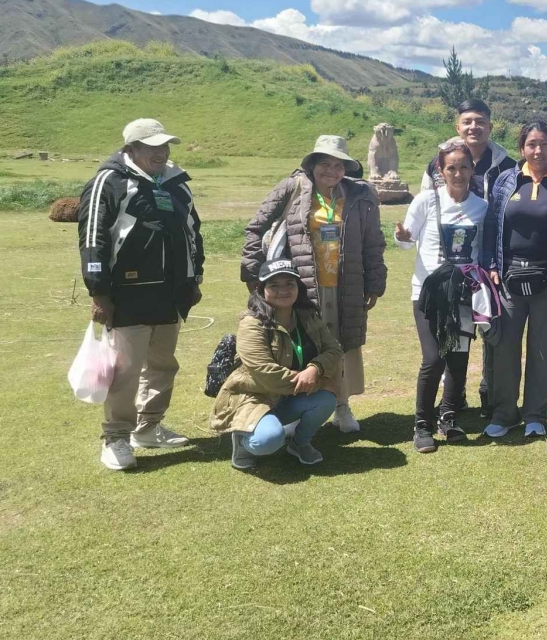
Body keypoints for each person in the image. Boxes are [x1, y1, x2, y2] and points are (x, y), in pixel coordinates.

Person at [78, 118, 204, 470]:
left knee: (163, 365)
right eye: (152, 147)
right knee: (125, 369)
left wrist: (194, 279)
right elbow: (93, 239)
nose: (161, 153)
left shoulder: (177, 183)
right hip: (127, 296)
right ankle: (116, 437)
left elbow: (194, 231)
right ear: (131, 149)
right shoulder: (110, 181)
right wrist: (99, 292)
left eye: (165, 146)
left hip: (171, 295)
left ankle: (148, 427)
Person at [242, 135, 386, 434]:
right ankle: (298, 408)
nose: (331, 170)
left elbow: (373, 242)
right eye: (325, 163)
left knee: (343, 345)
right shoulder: (292, 188)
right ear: (312, 165)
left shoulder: (359, 196)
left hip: (346, 284)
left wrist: (375, 281)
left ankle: (341, 406)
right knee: (303, 346)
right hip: (301, 286)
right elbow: (256, 228)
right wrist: (254, 272)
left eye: (338, 165)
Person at [421, 98, 515, 414]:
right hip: (448, 270)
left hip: (491, 265)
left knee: (490, 331)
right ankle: (453, 397)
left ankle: (489, 393)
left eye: (480, 121)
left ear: (490, 125)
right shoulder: (436, 165)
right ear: (457, 126)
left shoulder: (506, 165)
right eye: (467, 121)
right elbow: (426, 215)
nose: (474, 127)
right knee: (451, 334)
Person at [396, 138, 491, 450]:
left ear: (473, 169)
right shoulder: (426, 201)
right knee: (433, 358)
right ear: (441, 170)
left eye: (464, 167)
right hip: (428, 292)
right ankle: (422, 423)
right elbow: (407, 242)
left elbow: (479, 251)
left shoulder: (481, 206)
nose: (459, 173)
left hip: (464, 292)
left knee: (459, 358)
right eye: (452, 167)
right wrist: (403, 237)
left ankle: (449, 418)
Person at [210, 258, 343, 469]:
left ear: (298, 287)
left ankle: (299, 444)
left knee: (325, 400)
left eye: (289, 284)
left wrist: (315, 368)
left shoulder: (307, 316)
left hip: (290, 395)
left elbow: (334, 349)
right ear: (261, 289)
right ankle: (243, 440)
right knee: (268, 440)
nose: (283, 290)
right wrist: (319, 382)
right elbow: (265, 373)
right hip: (254, 396)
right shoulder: (251, 324)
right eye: (274, 285)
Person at [480, 119, 547, 439]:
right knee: (504, 348)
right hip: (507, 279)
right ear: (521, 148)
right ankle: (504, 413)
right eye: (531, 144)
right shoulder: (505, 180)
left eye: (544, 143)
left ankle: (534, 414)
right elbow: (491, 226)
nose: (538, 150)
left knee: (543, 349)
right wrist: (490, 264)